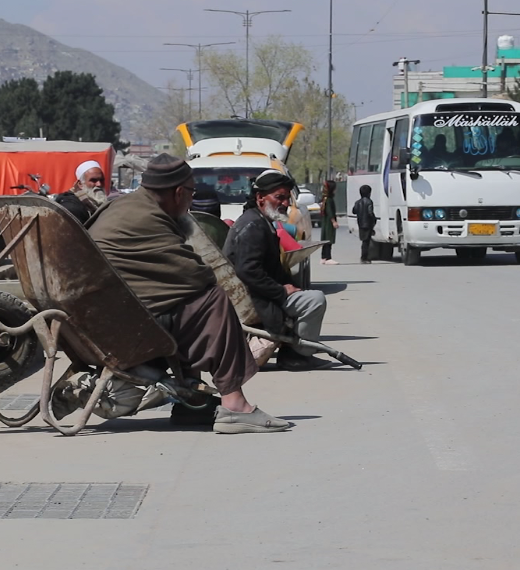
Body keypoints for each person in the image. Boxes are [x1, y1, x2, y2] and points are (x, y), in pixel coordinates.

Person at [86, 154, 289, 434]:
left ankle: (192, 402)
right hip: (124, 327)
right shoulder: (149, 217)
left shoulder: (125, 206)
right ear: (179, 192)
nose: (191, 200)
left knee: (189, 301)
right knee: (213, 300)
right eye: (191, 192)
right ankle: (235, 405)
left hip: (104, 316)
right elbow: (194, 274)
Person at [224, 169, 330, 371]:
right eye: (279, 198)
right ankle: (297, 355)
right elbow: (248, 271)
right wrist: (281, 291)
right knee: (315, 300)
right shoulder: (253, 226)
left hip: (262, 294)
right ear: (260, 198)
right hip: (256, 299)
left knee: (306, 294)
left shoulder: (260, 222)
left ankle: (294, 350)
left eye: (287, 198)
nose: (284, 203)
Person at [352, 185, 377, 264]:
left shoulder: (357, 202)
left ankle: (364, 257)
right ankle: (364, 258)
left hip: (360, 223)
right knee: (366, 242)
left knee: (364, 241)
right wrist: (374, 219)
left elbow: (354, 211)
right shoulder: (369, 201)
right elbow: (370, 213)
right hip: (368, 224)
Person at [319, 180, 339, 264]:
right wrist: (334, 222)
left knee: (325, 240)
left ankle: (323, 257)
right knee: (328, 240)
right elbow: (330, 212)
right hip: (328, 223)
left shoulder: (325, 199)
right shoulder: (329, 200)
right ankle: (328, 258)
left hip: (325, 222)